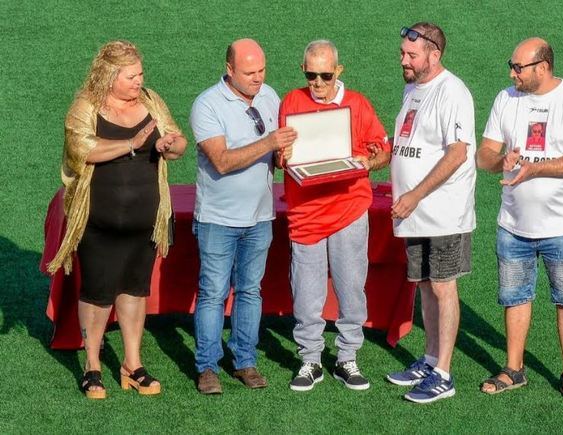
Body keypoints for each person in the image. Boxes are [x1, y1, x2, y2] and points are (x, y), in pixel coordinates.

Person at [47, 40, 187, 399]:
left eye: (140, 73)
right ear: (109, 76)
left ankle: (132, 363)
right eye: (131, 76)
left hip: (144, 220)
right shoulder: (86, 106)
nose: (139, 81)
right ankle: (92, 366)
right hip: (99, 222)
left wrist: (169, 144)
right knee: (97, 293)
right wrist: (131, 143)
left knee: (135, 290)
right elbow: (82, 150)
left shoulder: (152, 101)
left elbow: (179, 141)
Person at [477, 37, 563, 403]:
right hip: (513, 223)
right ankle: (514, 369)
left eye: (518, 67)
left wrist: (535, 170)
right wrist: (503, 162)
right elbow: (484, 156)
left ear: (542, 67)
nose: (512, 73)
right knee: (515, 297)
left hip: (562, 226)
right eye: (511, 66)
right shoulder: (505, 99)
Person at [278, 40, 391, 392]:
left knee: (350, 287)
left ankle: (346, 357)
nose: (318, 83)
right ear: (303, 71)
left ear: (338, 71)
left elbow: (384, 149)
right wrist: (283, 156)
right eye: (311, 75)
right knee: (307, 291)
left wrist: (370, 161)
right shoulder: (291, 102)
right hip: (306, 213)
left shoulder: (358, 104)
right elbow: (281, 156)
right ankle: (310, 358)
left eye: (325, 75)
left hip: (349, 209)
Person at [189, 39, 296, 394]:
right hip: (218, 219)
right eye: (250, 72)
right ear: (230, 69)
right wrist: (270, 143)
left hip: (260, 217)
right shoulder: (207, 105)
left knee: (250, 291)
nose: (258, 78)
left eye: (262, 70)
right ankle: (207, 366)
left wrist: (286, 156)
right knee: (213, 293)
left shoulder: (270, 96)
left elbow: (280, 156)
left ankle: (245, 361)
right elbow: (221, 160)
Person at [386, 23, 476, 404]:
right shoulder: (413, 88)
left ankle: (443, 373)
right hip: (415, 213)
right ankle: (428, 358)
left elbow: (458, 153)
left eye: (411, 55)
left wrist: (415, 196)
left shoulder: (452, 91)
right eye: (403, 54)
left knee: (443, 286)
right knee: (424, 284)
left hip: (442, 212)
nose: (403, 60)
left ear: (433, 55)